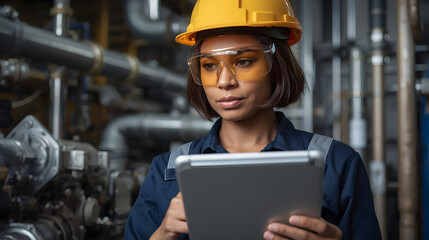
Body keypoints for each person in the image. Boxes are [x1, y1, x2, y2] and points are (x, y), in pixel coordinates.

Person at [124, 0, 382, 239]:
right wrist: (163, 234)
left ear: (277, 65)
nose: (224, 81)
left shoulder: (337, 164)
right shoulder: (167, 171)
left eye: (243, 61)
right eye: (209, 66)